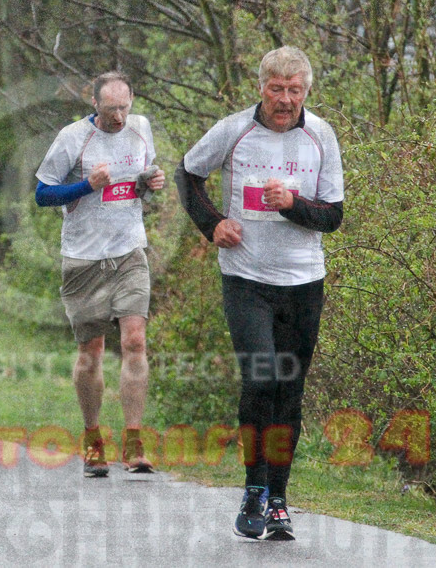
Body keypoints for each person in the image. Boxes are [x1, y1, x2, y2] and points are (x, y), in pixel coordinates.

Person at [175, 46, 344, 541]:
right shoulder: (234, 131)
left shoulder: (322, 136)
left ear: (306, 92)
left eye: (294, 90)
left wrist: (293, 204)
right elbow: (187, 174)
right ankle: (254, 487)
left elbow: (333, 217)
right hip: (246, 280)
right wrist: (212, 224)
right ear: (261, 88)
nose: (285, 100)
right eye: (277, 89)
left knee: (289, 390)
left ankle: (278, 502)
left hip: (303, 282)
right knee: (262, 377)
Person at [35, 71, 166, 478]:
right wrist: (86, 186)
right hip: (84, 258)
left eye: (124, 107)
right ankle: (93, 439)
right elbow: (42, 193)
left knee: (135, 340)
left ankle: (134, 441)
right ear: (95, 104)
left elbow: (139, 184)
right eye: (111, 109)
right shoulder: (73, 138)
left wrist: (150, 182)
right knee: (91, 352)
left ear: (132, 102)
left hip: (129, 249)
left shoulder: (140, 129)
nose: (119, 117)